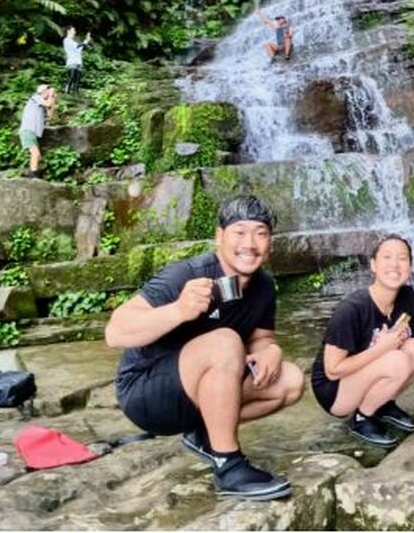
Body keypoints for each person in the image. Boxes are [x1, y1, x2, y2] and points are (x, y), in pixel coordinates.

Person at [105, 195, 304, 501]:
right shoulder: (187, 275)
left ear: (269, 242)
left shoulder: (263, 286)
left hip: (200, 390)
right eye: (239, 232)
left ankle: (203, 435)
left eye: (260, 234)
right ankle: (228, 465)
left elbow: (262, 338)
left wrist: (271, 351)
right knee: (225, 342)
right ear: (219, 237)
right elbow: (115, 332)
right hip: (146, 391)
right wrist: (178, 310)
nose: (250, 244)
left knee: (290, 381)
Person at [310, 235, 414, 448]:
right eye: (387, 257)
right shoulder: (352, 309)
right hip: (335, 391)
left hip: (365, 373)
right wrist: (382, 348)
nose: (395, 264)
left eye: (402, 258)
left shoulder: (408, 298)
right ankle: (362, 417)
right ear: (373, 265)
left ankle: (381, 404)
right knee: (398, 360)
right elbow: (333, 371)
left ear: (410, 267)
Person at [18, 84, 57, 178]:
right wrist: (51, 96)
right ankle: (34, 176)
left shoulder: (42, 104)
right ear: (43, 91)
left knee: (37, 156)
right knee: (35, 154)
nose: (50, 93)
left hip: (33, 133)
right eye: (48, 91)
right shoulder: (35, 97)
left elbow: (51, 115)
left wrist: (52, 99)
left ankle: (31, 174)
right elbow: (48, 104)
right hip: (28, 130)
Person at [62, 26, 92, 94]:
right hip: (71, 62)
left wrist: (87, 40)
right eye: (73, 30)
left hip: (78, 62)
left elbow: (80, 48)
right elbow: (78, 46)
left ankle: (75, 93)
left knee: (78, 79)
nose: (75, 32)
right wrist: (84, 42)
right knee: (71, 76)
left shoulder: (74, 42)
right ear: (68, 31)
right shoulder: (66, 40)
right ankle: (67, 90)